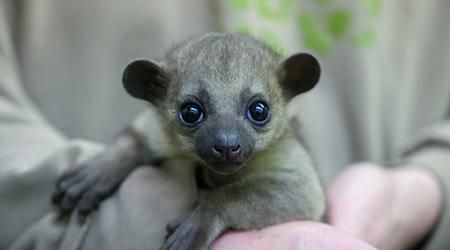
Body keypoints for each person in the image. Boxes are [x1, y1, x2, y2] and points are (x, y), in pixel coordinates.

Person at [0, 0, 448, 249]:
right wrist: (112, 163)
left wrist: (423, 189)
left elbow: (303, 198)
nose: (230, 140)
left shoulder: (280, 155)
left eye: (257, 113)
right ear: (155, 93)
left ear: (290, 88)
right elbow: (140, 137)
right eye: (194, 114)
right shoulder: (158, 120)